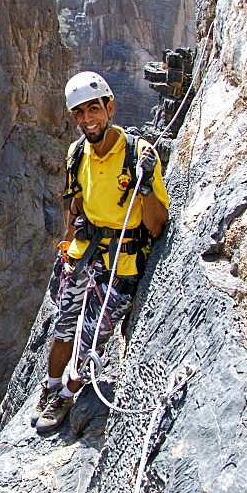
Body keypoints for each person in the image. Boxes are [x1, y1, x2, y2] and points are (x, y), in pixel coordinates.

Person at [31, 71, 170, 433]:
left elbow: (156, 225)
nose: (87, 119)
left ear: (109, 107)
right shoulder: (77, 153)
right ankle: (50, 387)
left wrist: (145, 187)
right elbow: (75, 206)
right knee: (63, 327)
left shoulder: (139, 155)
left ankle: (67, 394)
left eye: (93, 110)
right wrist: (65, 247)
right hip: (82, 257)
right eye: (79, 113)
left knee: (92, 335)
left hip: (122, 264)